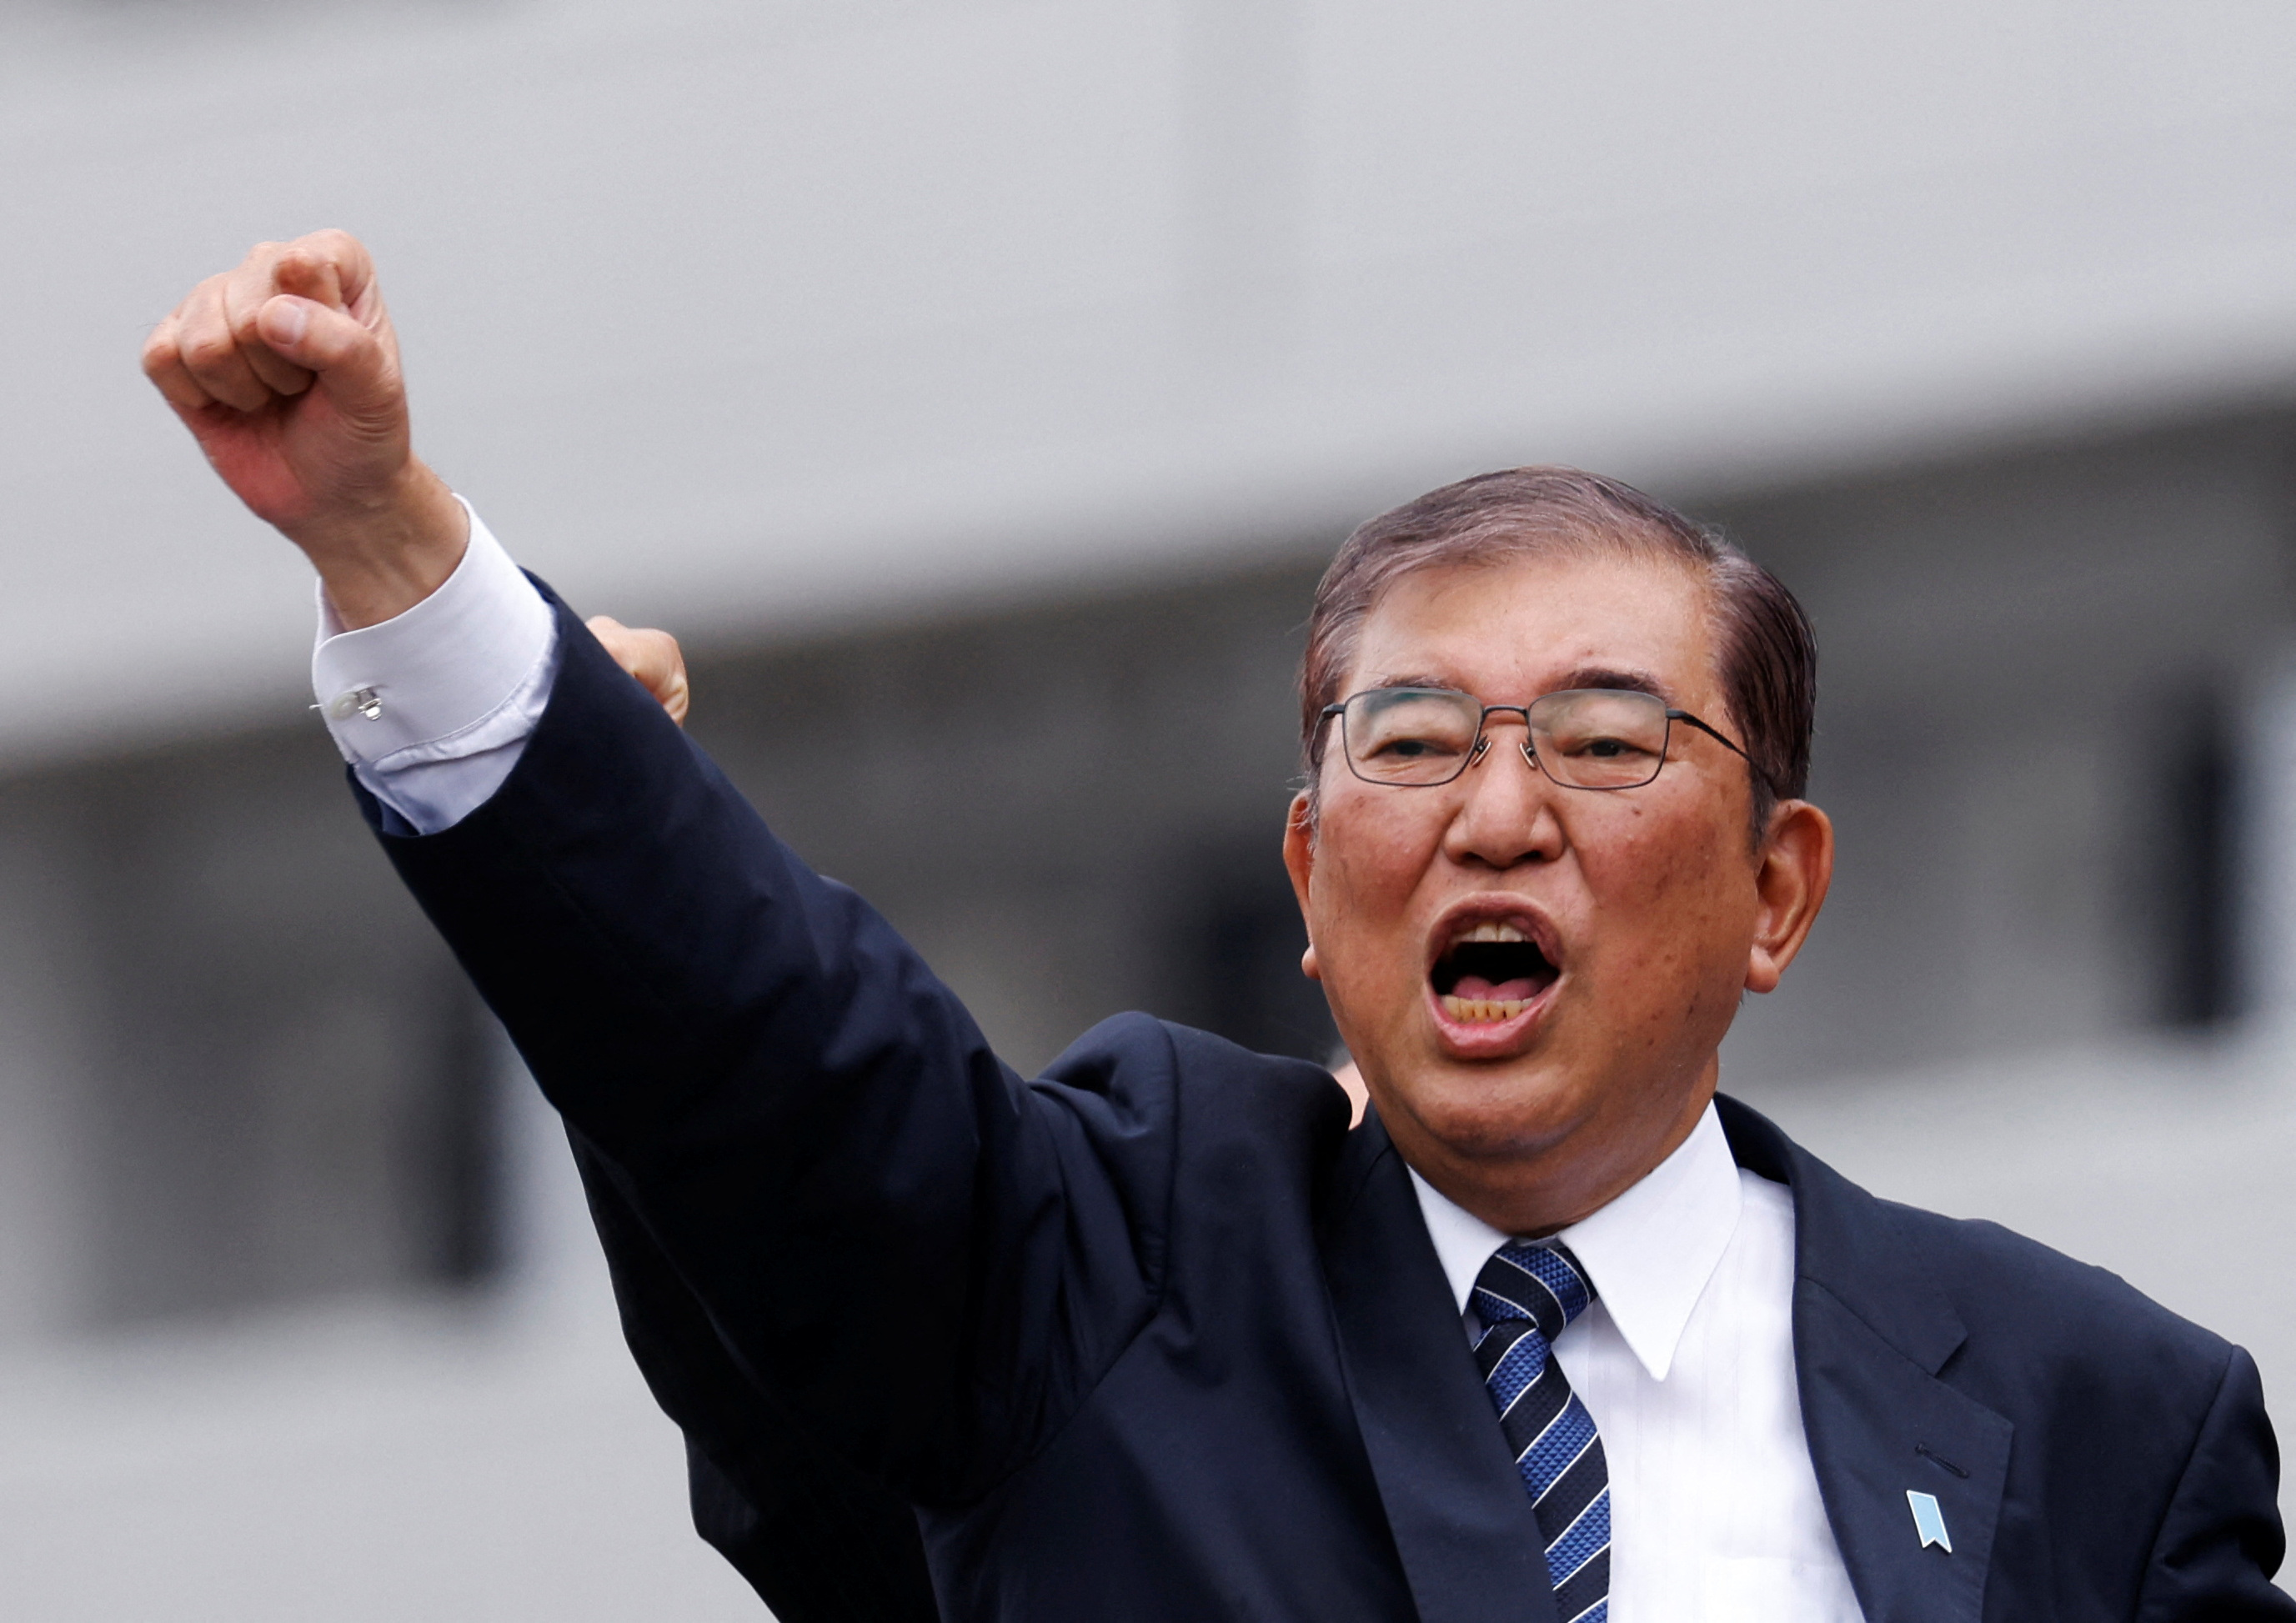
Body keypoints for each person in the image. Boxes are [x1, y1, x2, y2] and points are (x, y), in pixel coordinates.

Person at [143, 231, 2293, 1623]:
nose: (1500, 815)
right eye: (1416, 742)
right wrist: (394, 553)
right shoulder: (1107, 1273)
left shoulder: (2096, 1417)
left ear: (1779, 890)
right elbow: (773, 1061)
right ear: (1302, 877)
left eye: (1611, 744)